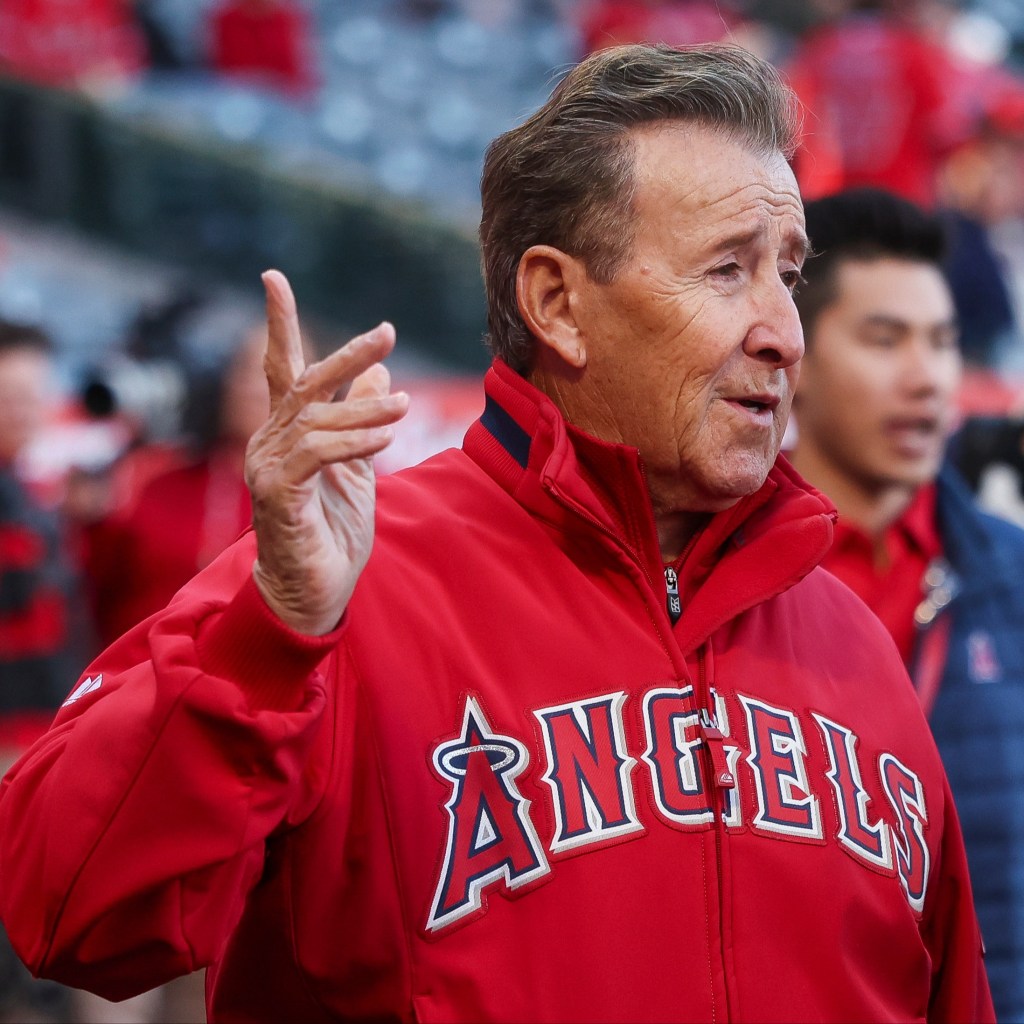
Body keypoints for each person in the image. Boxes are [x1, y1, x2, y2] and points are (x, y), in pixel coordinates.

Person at [0, 45, 994, 1021]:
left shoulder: (852, 640)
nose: (784, 328)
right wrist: (270, 632)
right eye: (729, 269)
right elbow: (65, 911)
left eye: (788, 271)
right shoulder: (342, 591)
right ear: (557, 303)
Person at [789, 186, 1024, 1021]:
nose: (927, 378)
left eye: (944, 342)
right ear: (795, 358)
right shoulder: (719, 586)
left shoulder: (1010, 580)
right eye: (885, 340)